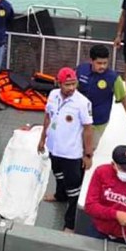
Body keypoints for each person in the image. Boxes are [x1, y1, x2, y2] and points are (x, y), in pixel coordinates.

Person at [37, 67, 94, 233]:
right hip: (54, 148)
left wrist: (87, 154)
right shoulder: (53, 95)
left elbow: (88, 129)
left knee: (73, 188)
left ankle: (70, 223)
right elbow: (48, 116)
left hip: (71, 153)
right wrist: (42, 138)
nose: (71, 88)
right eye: (67, 84)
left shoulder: (83, 103)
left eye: (73, 84)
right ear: (58, 83)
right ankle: (59, 195)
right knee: (57, 173)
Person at [76, 44, 126, 140]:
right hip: (78, 118)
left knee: (88, 150)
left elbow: (124, 99)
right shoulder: (81, 70)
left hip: (97, 122)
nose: (103, 66)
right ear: (91, 60)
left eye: (105, 63)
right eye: (99, 63)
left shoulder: (113, 78)